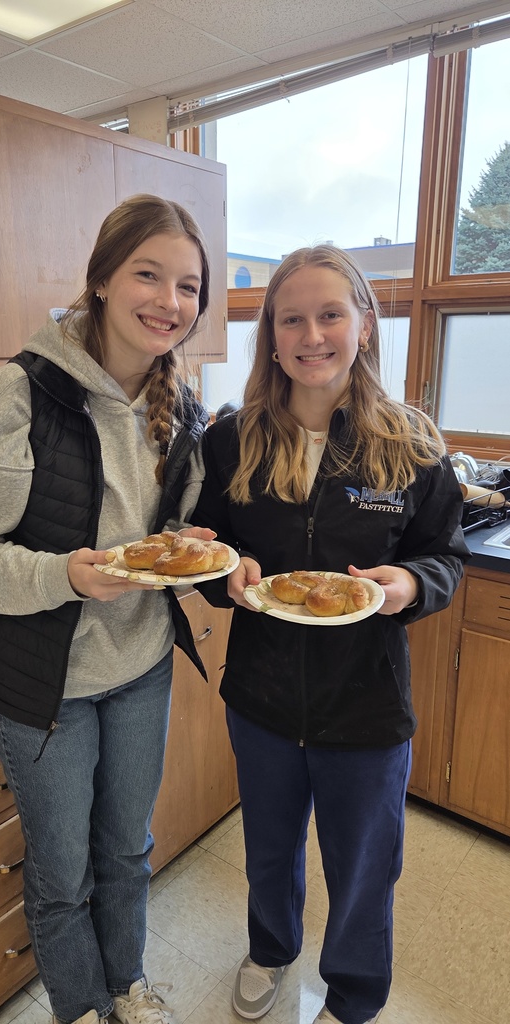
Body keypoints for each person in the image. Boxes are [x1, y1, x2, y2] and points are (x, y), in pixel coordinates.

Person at [0, 194, 216, 1024]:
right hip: (40, 683)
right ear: (99, 279)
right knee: (63, 874)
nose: (170, 301)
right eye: (148, 275)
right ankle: (81, 1008)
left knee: (127, 852)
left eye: (189, 286)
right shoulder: (12, 396)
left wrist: (190, 546)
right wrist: (67, 575)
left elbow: (166, 540)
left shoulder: (180, 406)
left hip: (139, 667)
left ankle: (127, 988)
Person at [190, 244, 469, 1024]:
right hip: (263, 697)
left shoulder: (411, 443)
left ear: (365, 326)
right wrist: (227, 572)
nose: (311, 335)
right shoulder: (230, 439)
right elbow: (202, 548)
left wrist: (411, 584)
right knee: (270, 847)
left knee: (363, 867)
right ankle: (270, 949)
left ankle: (351, 996)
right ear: (271, 337)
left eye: (329, 314)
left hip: (366, 705)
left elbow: (444, 556)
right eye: (291, 319)